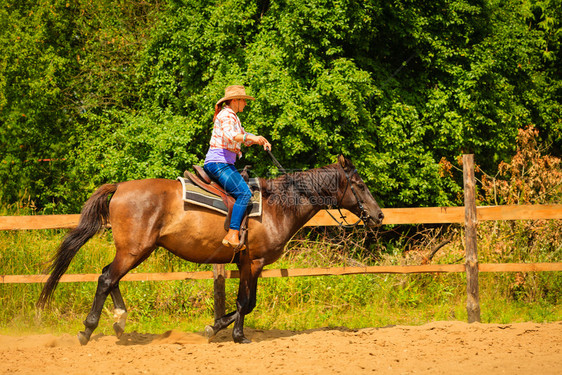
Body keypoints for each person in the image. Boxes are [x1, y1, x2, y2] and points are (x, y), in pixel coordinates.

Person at [203, 85, 271, 249]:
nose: (245, 104)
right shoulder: (227, 115)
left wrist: (259, 140)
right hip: (220, 163)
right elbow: (231, 135)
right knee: (244, 193)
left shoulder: (232, 116)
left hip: (223, 163)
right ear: (235, 100)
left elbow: (243, 138)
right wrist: (253, 138)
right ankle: (232, 233)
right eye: (243, 101)